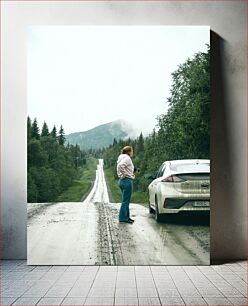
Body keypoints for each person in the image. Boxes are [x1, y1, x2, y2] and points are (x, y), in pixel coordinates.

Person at [116, 146, 135, 224]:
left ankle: (127, 217)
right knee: (126, 201)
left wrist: (121, 175)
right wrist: (124, 174)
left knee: (126, 200)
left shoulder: (121, 157)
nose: (132, 152)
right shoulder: (127, 158)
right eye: (132, 151)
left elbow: (121, 166)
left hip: (122, 181)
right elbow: (120, 166)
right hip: (127, 181)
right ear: (129, 152)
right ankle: (123, 218)